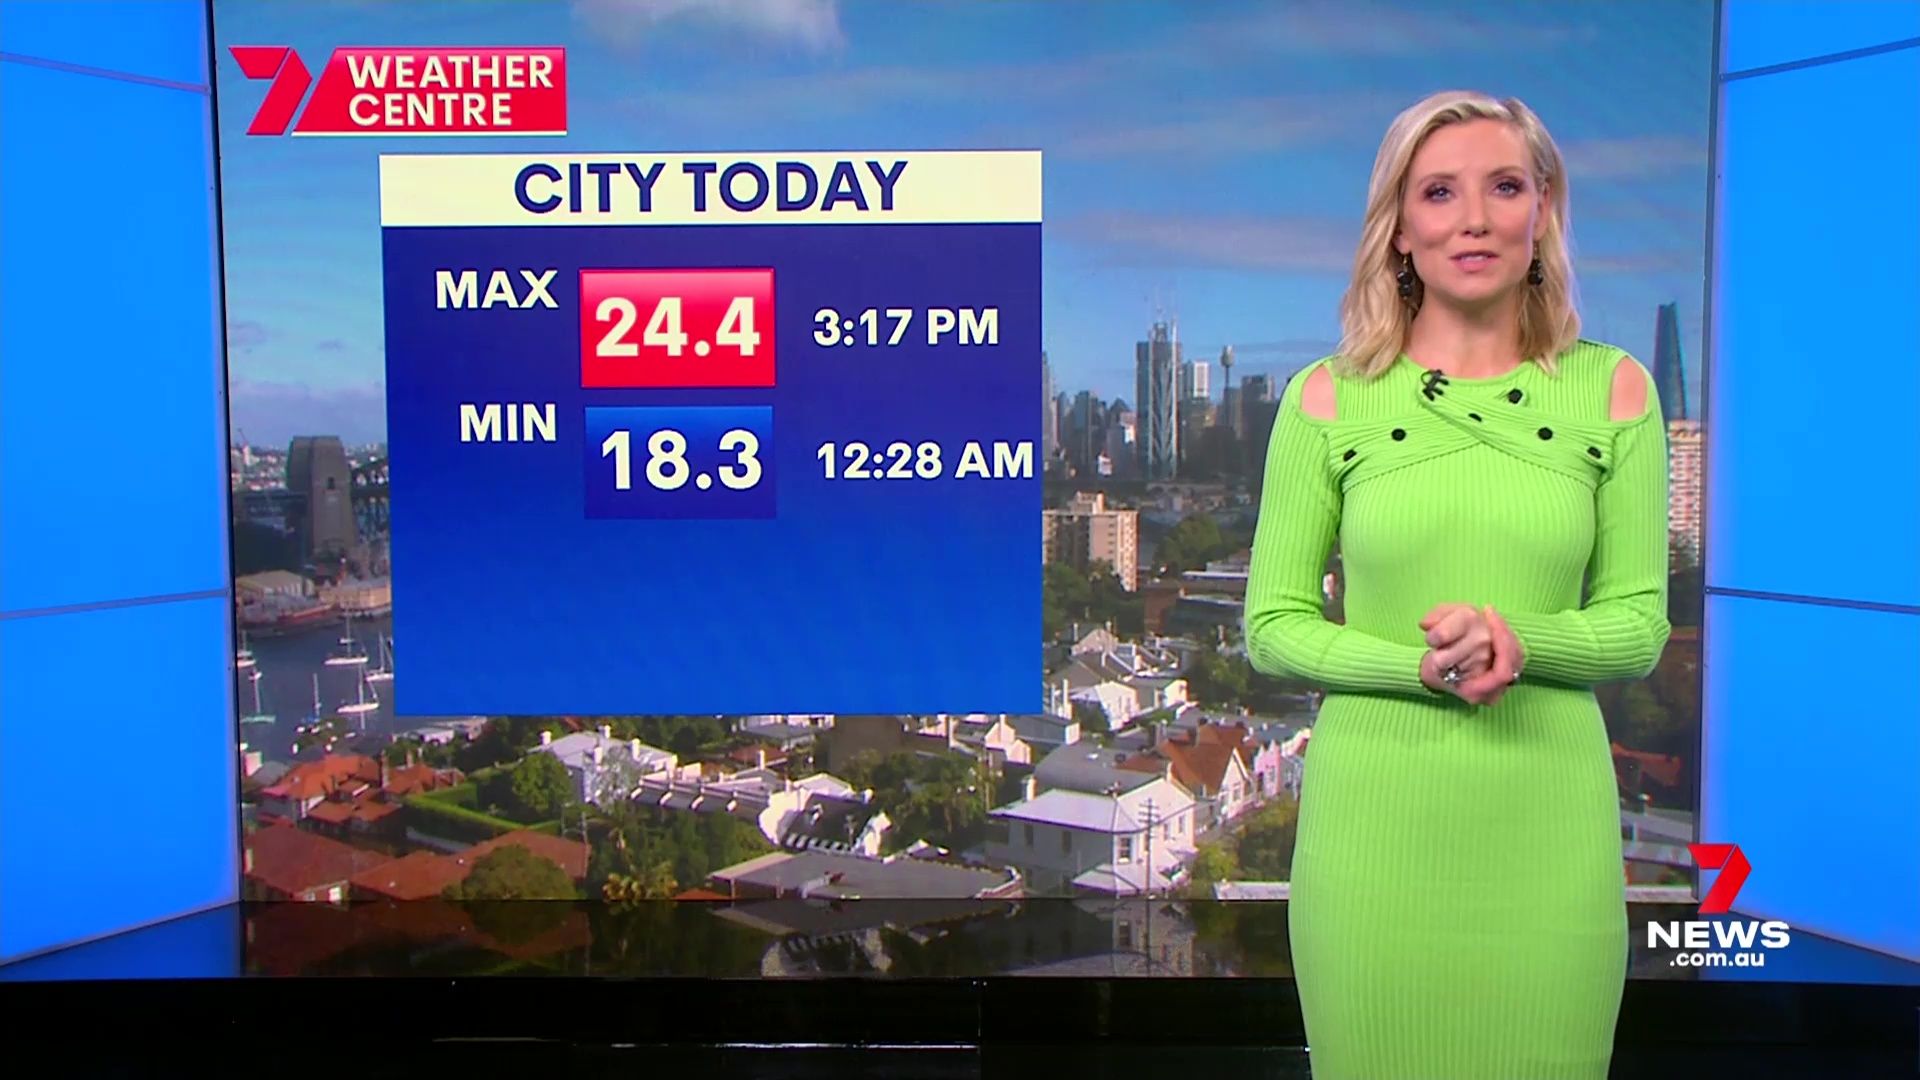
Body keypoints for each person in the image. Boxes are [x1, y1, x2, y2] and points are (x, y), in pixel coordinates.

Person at [1243, 89, 1672, 1079]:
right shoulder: (1325, 399)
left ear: (1543, 211)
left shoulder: (1616, 389)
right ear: (1398, 227)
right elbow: (1272, 627)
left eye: (1504, 187)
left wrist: (1524, 642)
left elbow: (1640, 624)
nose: (1473, 218)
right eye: (1439, 192)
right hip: (1372, 844)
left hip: (1548, 840)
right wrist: (1417, 668)